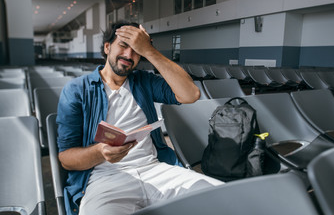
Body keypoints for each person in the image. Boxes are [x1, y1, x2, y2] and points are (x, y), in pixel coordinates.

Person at [56, 21, 223, 215]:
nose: (129, 55)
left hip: (155, 169)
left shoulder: (144, 81)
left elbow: (191, 94)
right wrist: (101, 151)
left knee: (221, 198)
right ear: (107, 47)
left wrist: (150, 51)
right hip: (106, 178)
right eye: (123, 45)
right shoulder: (78, 90)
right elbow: (66, 159)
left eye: (136, 49)